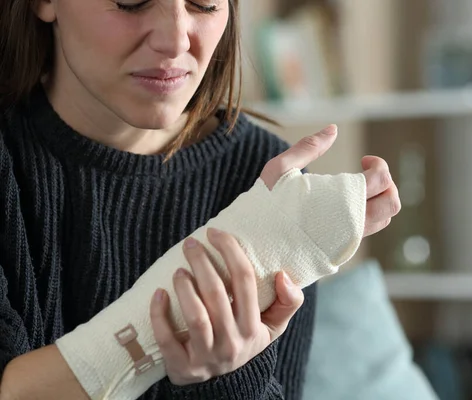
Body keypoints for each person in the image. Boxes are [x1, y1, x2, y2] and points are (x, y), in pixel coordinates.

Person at [0, 0, 401, 399]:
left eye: (204, 2)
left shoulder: (275, 194)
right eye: (131, 1)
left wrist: (233, 377)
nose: (175, 41)